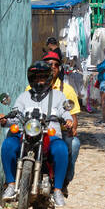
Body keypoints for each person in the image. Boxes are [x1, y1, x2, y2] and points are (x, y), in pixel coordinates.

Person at [0, 60, 71, 209]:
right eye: (36, 77)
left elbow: (65, 113)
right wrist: (5, 119)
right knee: (8, 144)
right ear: (31, 79)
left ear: (49, 78)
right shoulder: (24, 97)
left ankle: (57, 190)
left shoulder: (58, 96)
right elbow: (15, 114)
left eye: (43, 77)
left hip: (50, 135)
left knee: (61, 149)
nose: (39, 80)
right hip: (26, 135)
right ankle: (11, 184)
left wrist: (68, 121)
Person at [43, 50, 80, 196]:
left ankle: (64, 181)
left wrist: (71, 126)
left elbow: (73, 117)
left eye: (55, 65)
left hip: (58, 131)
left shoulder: (68, 90)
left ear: (59, 69)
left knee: (74, 144)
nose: (52, 67)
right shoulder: (32, 88)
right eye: (48, 64)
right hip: (36, 129)